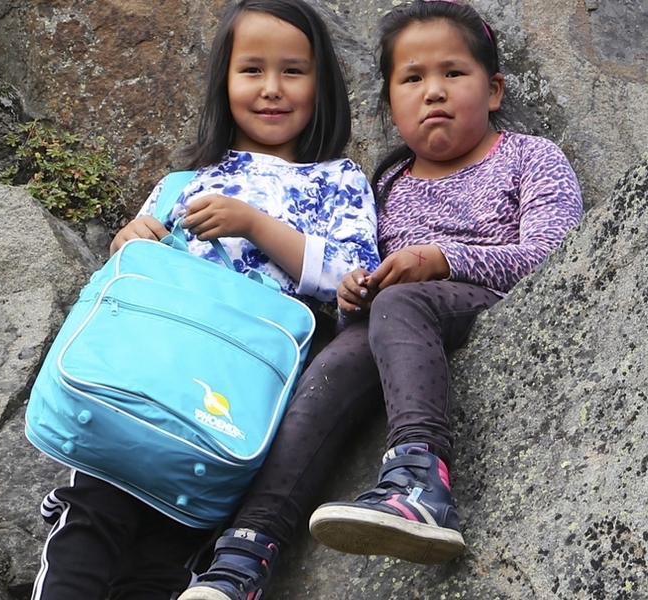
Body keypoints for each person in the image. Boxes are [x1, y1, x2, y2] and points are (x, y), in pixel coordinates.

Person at [179, 1, 583, 598]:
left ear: (493, 89)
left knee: (399, 304)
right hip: (400, 323)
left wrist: (443, 259)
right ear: (390, 104)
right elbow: (364, 277)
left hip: (495, 304)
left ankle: (420, 480)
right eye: (413, 79)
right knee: (333, 361)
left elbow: (558, 256)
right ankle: (243, 557)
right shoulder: (385, 188)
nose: (434, 92)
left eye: (454, 73)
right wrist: (352, 294)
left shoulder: (531, 157)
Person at [31, 0, 375, 597]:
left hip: (227, 404)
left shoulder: (336, 181)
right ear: (223, 81)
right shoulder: (182, 183)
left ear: (324, 84)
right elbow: (130, 277)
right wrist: (129, 238)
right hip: (140, 381)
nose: (272, 88)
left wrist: (255, 224)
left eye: (294, 70)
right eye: (251, 70)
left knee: (173, 550)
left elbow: (353, 278)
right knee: (88, 520)